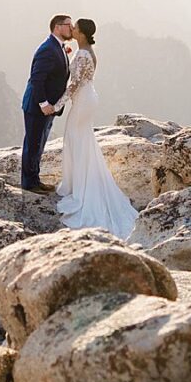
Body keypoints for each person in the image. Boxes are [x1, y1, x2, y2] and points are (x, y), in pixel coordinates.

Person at [52, 18, 137, 236]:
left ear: (80, 33)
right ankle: (78, 183)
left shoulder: (82, 54)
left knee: (74, 138)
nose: (72, 29)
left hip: (83, 100)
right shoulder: (86, 50)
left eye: (75, 27)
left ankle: (79, 189)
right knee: (82, 139)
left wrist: (55, 106)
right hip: (88, 97)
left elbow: (74, 84)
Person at [20, 14, 73, 192]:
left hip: (48, 108)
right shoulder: (48, 49)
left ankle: (35, 179)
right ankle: (29, 183)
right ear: (57, 27)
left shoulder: (58, 47)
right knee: (33, 143)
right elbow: (37, 79)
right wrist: (43, 104)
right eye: (68, 25)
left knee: (39, 144)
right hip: (37, 107)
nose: (71, 28)